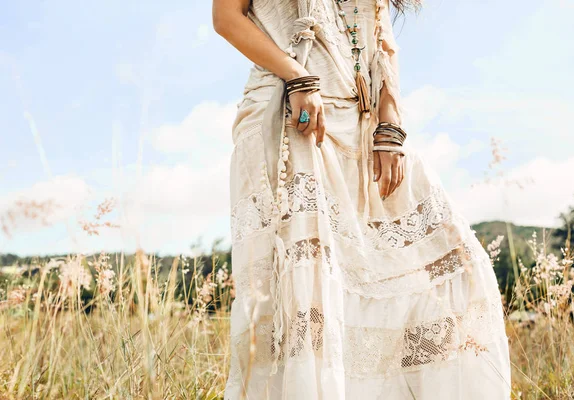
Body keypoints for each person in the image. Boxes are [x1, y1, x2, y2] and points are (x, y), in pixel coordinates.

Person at [213, 0, 512, 398]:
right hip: (294, 121)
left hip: (366, 131)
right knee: (310, 290)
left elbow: (383, 50)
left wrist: (390, 127)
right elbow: (225, 18)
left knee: (459, 263)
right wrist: (298, 77)